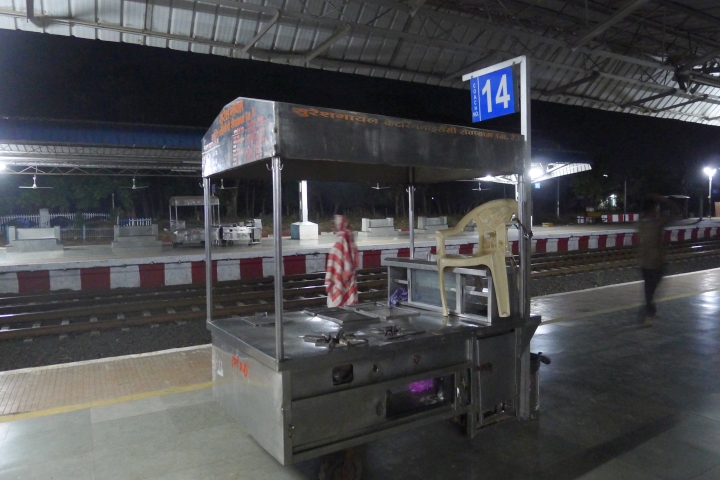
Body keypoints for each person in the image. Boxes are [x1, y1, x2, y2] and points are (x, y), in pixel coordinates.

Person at [636, 195, 672, 326]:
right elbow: (675, 215)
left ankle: (650, 311)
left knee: (649, 289)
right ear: (652, 211)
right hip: (656, 262)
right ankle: (644, 314)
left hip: (644, 261)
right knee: (651, 290)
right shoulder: (657, 224)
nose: (657, 212)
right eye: (656, 209)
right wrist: (665, 201)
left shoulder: (640, 223)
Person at [325, 215, 359, 307]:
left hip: (339, 273)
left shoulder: (342, 237)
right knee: (348, 292)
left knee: (339, 290)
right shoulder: (349, 235)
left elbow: (338, 255)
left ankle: (339, 307)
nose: (333, 227)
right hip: (349, 272)